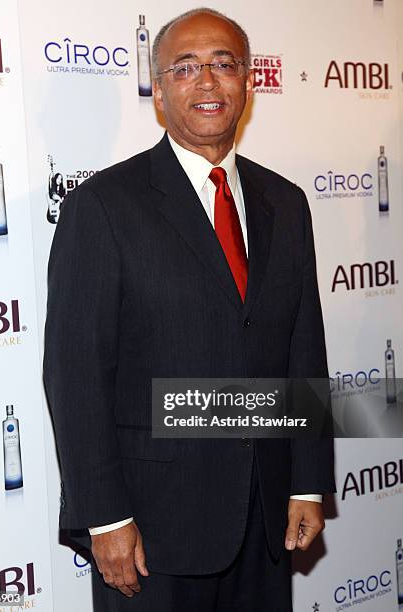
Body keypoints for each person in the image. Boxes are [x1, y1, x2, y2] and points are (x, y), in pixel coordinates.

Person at [43, 7, 336, 611]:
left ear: (248, 82)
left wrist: (307, 480)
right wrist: (104, 518)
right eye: (186, 67)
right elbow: (76, 377)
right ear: (159, 91)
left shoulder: (286, 202)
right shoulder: (101, 207)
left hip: (265, 517)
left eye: (224, 64)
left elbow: (303, 348)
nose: (207, 81)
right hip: (153, 529)